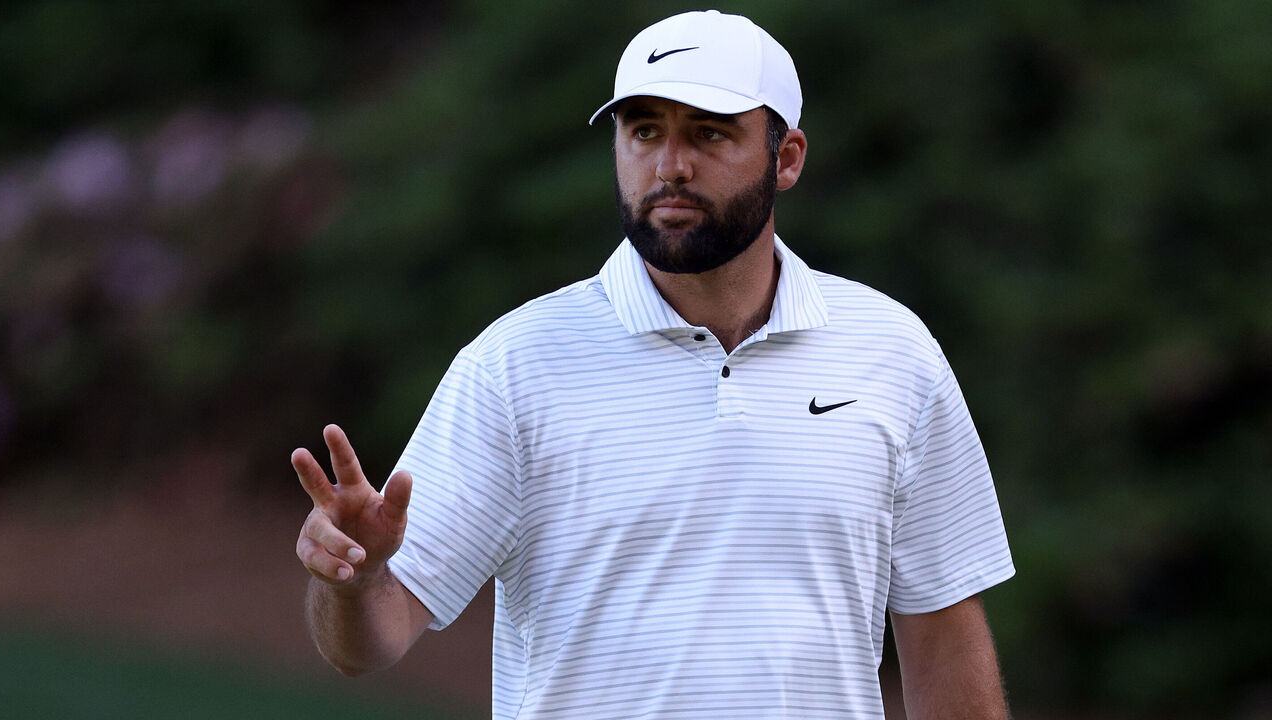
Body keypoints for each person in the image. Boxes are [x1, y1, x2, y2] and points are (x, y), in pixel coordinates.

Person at [293, 10, 1015, 720]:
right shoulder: (514, 366)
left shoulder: (893, 351)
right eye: (644, 132)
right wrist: (353, 581)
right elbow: (370, 641)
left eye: (708, 133)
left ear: (788, 157)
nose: (670, 166)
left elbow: (945, 641)